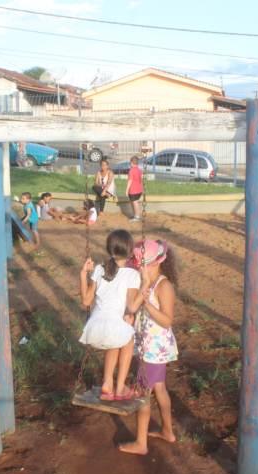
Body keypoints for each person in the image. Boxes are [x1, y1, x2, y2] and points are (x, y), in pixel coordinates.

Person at [119, 239, 179, 455]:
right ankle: (167, 431)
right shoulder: (146, 283)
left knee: (142, 394)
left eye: (139, 262)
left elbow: (167, 321)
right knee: (160, 388)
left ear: (154, 263)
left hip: (155, 350)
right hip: (148, 346)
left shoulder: (164, 286)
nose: (136, 265)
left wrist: (146, 303)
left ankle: (141, 443)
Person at [79, 229, 141, 401]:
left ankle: (107, 385)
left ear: (109, 249)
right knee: (128, 341)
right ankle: (120, 388)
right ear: (130, 251)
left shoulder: (99, 269)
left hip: (93, 329)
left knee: (114, 342)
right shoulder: (132, 275)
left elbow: (86, 301)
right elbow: (131, 306)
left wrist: (83, 274)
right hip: (114, 328)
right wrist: (145, 288)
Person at [125, 156, 144, 222]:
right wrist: (142, 188)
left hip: (133, 190)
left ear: (131, 163)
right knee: (134, 202)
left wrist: (127, 190)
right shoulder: (139, 170)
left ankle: (137, 216)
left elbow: (130, 181)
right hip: (139, 190)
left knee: (135, 202)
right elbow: (141, 179)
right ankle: (135, 214)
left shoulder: (131, 171)